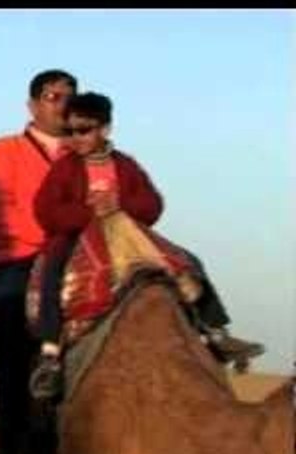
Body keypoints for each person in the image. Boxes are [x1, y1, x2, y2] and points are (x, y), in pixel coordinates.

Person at [29, 91, 265, 399]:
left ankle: (216, 332)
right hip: (78, 237)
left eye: (84, 130)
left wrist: (120, 204)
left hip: (125, 232)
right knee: (53, 269)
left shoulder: (125, 166)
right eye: (70, 131)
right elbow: (45, 210)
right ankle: (50, 353)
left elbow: (153, 204)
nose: (77, 138)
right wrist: (89, 212)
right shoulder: (65, 168)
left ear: (104, 129)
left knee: (188, 261)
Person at [0, 69, 77, 454]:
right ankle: (9, 447)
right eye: (53, 96)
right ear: (33, 104)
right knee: (11, 340)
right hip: (21, 257)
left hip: (78, 257)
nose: (62, 104)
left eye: (70, 97)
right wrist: (50, 236)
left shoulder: (85, 153)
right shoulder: (6, 150)